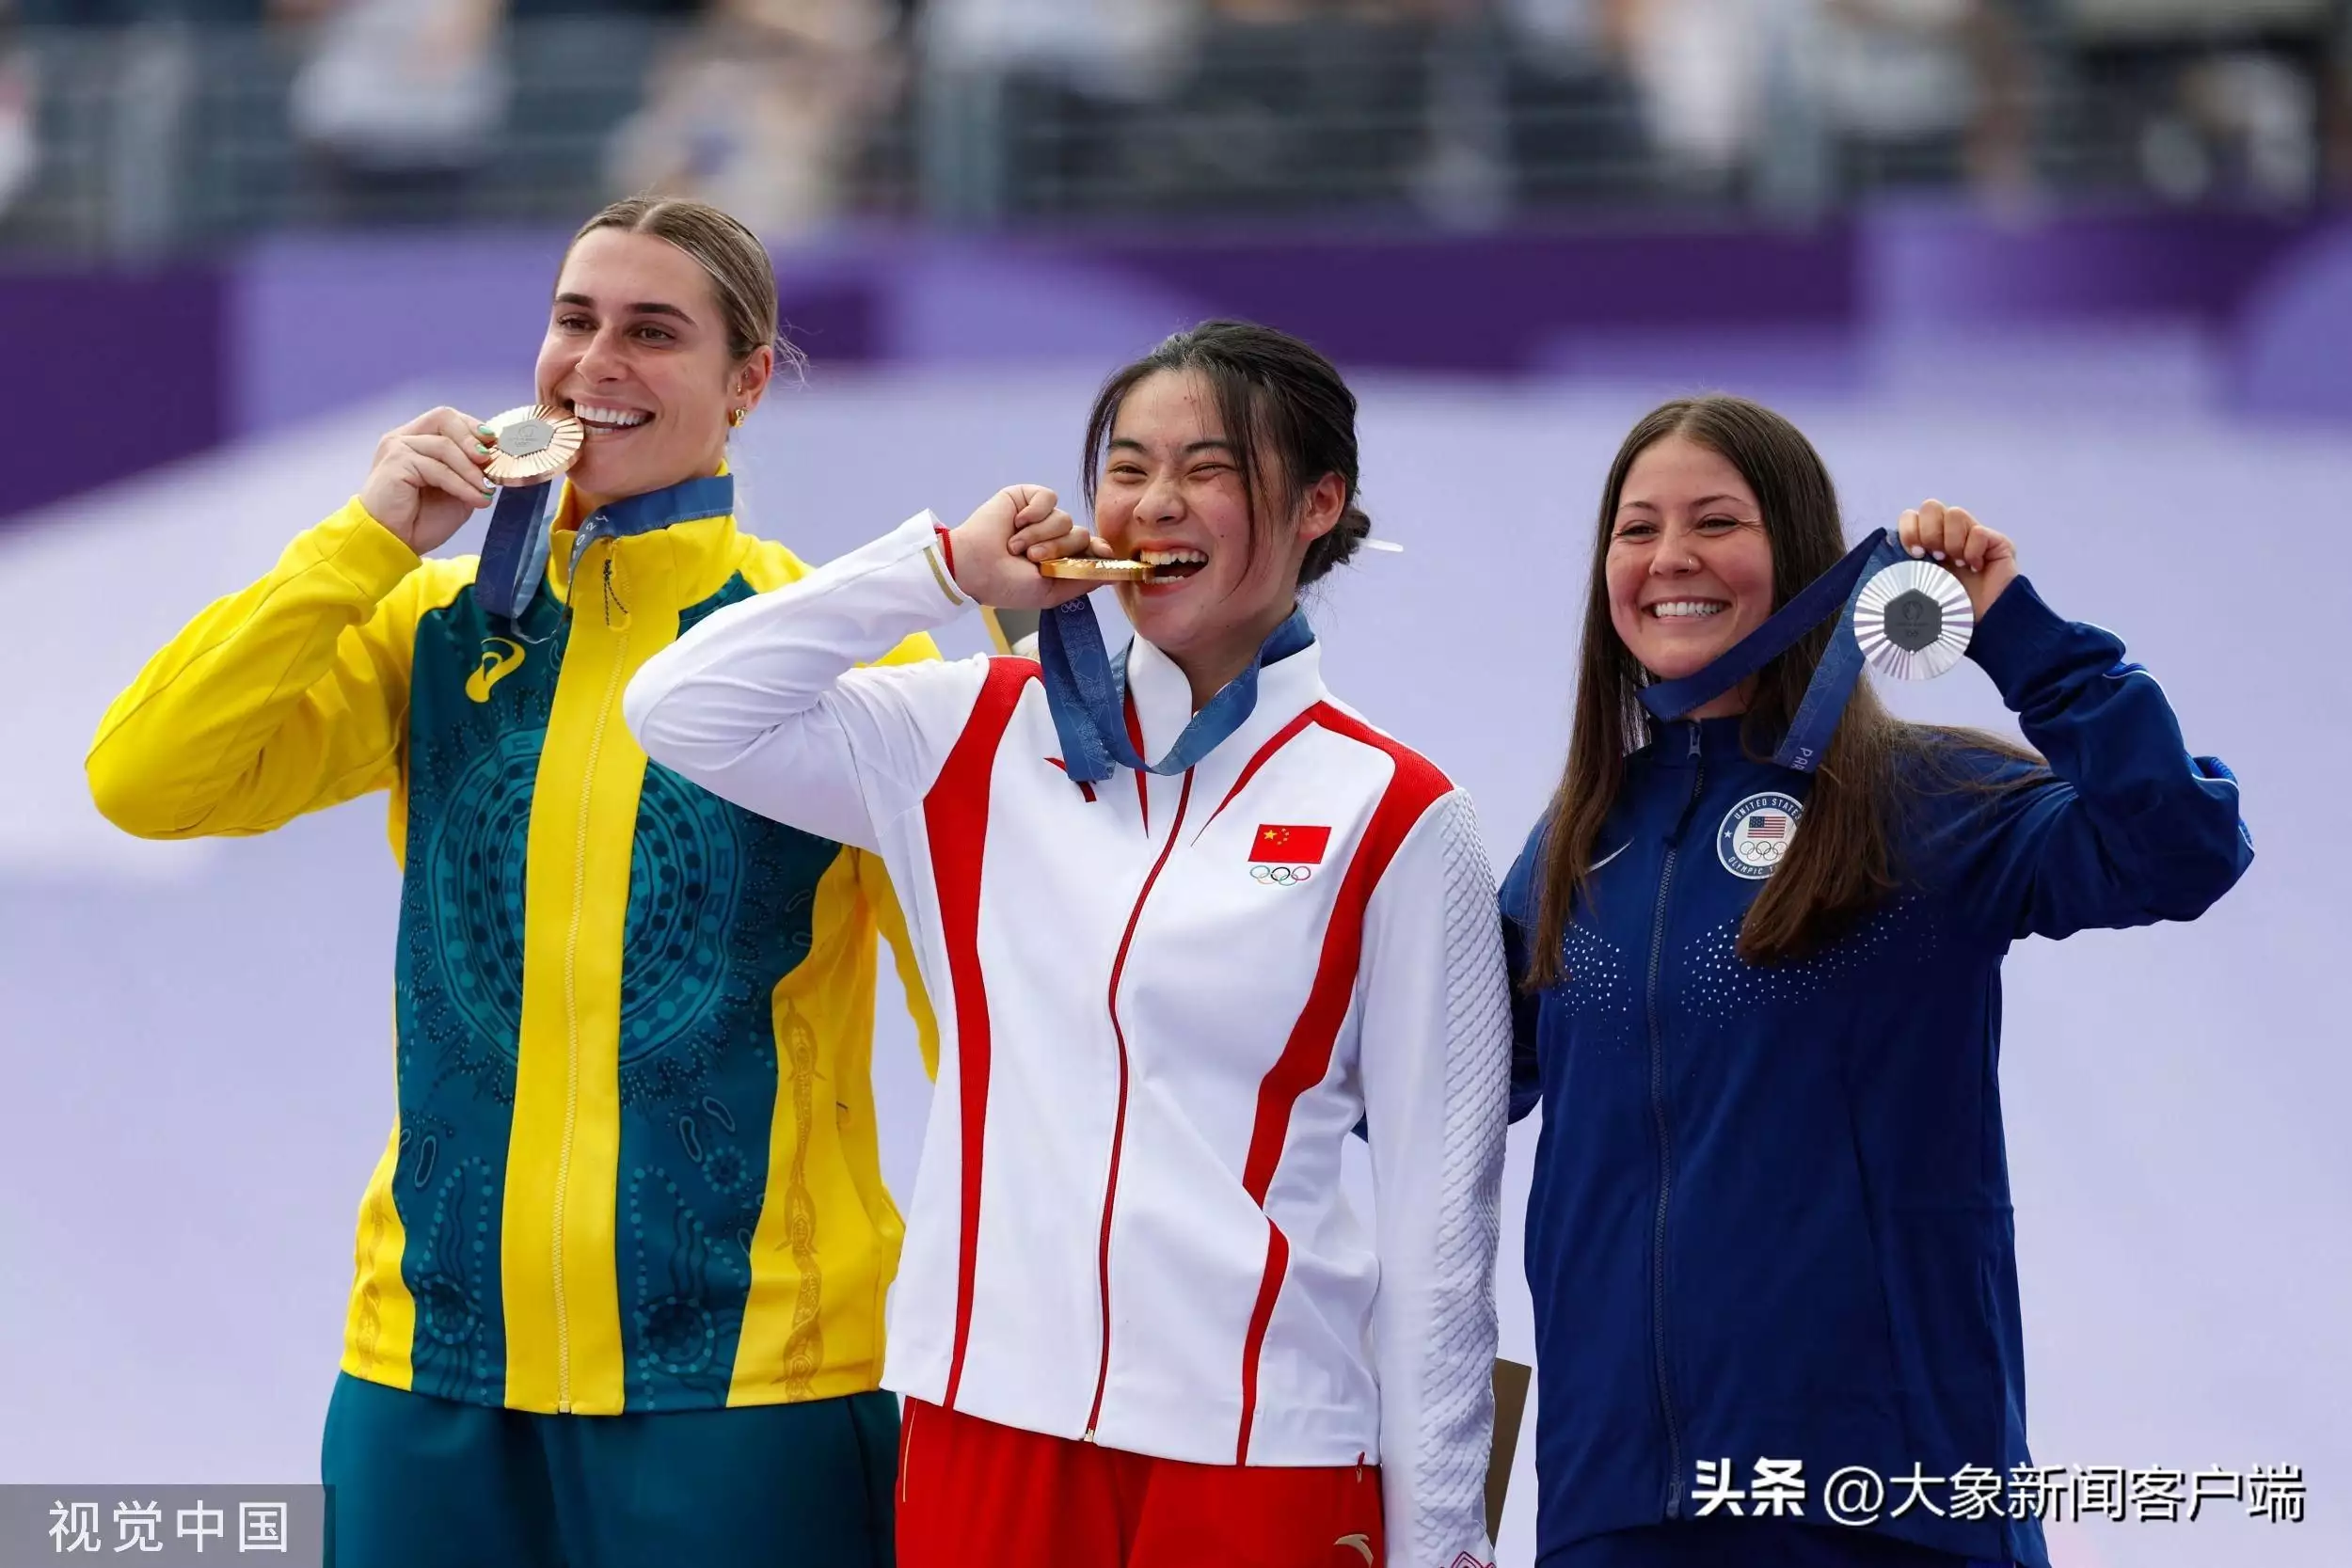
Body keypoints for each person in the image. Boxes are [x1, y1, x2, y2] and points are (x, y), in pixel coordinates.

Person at [87, 197, 936, 1568]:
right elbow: (147, 776)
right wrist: (366, 539)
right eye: (573, 319)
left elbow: (978, 1015)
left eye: (653, 331)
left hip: (747, 1384)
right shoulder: (433, 630)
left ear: (747, 381)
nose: (596, 361)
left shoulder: (838, 664)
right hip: (428, 1365)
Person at [625, 320, 1510, 1568]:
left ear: (1321, 503)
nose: (1156, 502)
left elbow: (1439, 1218)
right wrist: (938, 571)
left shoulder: (1400, 813)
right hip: (986, 1423)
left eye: (1208, 466)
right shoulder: (971, 737)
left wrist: (1442, 1540)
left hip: (1260, 1447)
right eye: (1128, 464)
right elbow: (679, 708)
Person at [1501, 394, 2251, 1568]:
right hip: (1617, 1507)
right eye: (1635, 529)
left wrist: (2017, 631)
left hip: (1877, 1507)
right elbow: (1412, 1086)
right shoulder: (1572, 845)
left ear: (1800, 554)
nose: (1670, 559)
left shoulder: (1920, 802)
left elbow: (2182, 845)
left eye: (1715, 521)